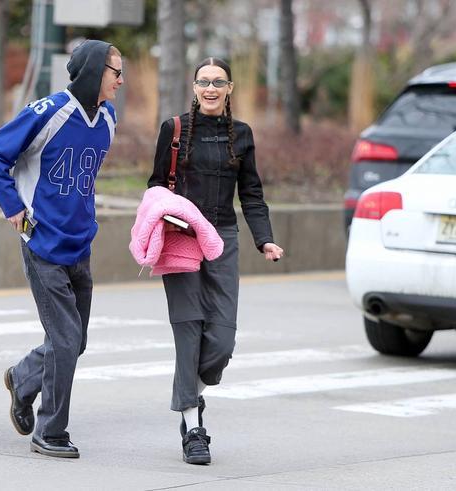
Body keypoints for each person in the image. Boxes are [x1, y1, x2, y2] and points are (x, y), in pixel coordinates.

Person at [0, 40, 123, 459]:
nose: (121, 79)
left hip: (81, 244)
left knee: (73, 341)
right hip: (42, 243)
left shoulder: (109, 119)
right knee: (64, 339)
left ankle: (23, 378)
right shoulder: (49, 111)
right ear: (96, 71)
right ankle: (51, 431)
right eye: (116, 71)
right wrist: (14, 210)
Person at [148, 57, 284, 465]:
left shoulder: (241, 134)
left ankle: (193, 395)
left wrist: (265, 240)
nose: (210, 88)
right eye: (203, 81)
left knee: (221, 341)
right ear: (193, 87)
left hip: (222, 237)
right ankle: (193, 428)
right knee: (189, 330)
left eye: (218, 82)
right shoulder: (174, 130)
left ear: (229, 88)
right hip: (182, 236)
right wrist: (171, 214)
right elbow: (156, 183)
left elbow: (252, 194)